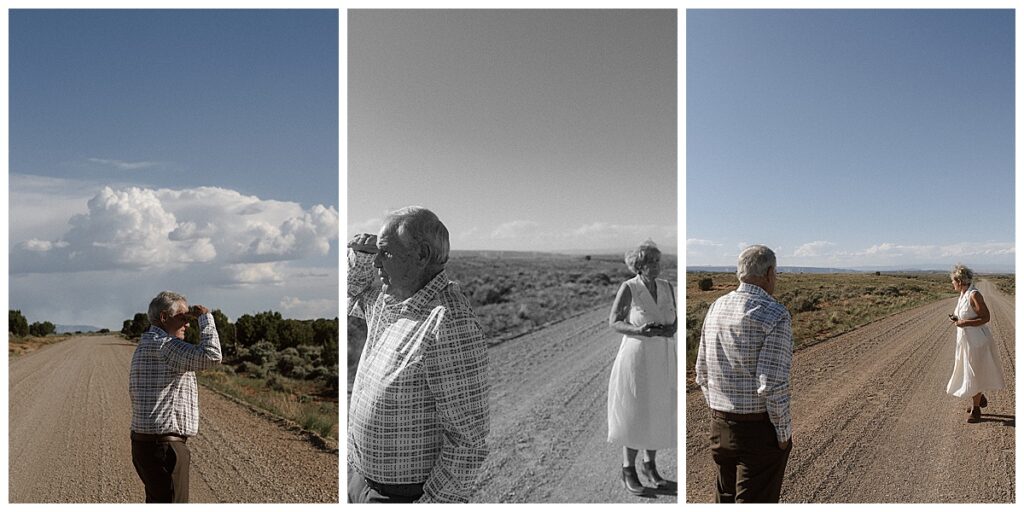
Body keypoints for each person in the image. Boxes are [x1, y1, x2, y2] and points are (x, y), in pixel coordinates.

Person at [347, 206, 490, 503]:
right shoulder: (390, 301)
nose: (376, 263)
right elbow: (350, 293)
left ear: (422, 255)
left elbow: (467, 442)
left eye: (384, 253)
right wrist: (360, 253)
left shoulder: (448, 322)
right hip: (360, 481)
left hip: (402, 497)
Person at [695, 245, 792, 503]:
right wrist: (782, 434)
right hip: (758, 431)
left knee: (724, 498)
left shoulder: (715, 307)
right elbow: (772, 384)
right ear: (770, 273)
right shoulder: (776, 314)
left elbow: (701, 372)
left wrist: (719, 411)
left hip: (720, 426)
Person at [129, 291, 221, 503]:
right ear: (164, 318)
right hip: (164, 447)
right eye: (183, 317)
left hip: (146, 444)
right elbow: (212, 356)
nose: (187, 324)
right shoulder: (166, 347)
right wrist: (205, 317)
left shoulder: (146, 344)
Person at [607, 240, 677, 495]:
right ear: (640, 265)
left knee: (658, 409)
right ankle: (629, 470)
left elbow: (675, 317)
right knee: (635, 410)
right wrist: (638, 330)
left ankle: (650, 466)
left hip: (663, 355)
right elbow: (614, 322)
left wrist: (672, 328)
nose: (657, 266)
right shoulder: (629, 287)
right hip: (637, 356)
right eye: (652, 262)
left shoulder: (667, 286)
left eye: (659, 261)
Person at [945, 264, 1005, 423]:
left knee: (973, 371)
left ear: (959, 280)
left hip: (977, 340)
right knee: (968, 370)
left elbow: (986, 317)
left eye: (953, 281)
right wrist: (957, 320)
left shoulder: (974, 295)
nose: (952, 284)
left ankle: (976, 409)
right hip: (965, 340)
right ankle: (978, 398)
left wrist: (964, 322)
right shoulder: (963, 294)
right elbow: (966, 315)